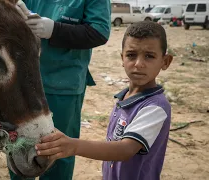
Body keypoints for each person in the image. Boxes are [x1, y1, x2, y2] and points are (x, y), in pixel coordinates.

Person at [35, 21, 173, 180]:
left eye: (149, 56)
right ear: (122, 58)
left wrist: (73, 146)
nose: (138, 64)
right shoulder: (126, 97)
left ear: (165, 61)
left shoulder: (155, 107)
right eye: (131, 55)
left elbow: (124, 150)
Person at [12, 0, 111, 180]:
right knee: (18, 146)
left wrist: (54, 30)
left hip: (63, 83)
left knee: (56, 150)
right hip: (24, 82)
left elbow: (99, 31)